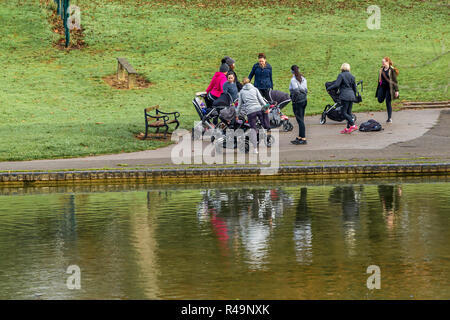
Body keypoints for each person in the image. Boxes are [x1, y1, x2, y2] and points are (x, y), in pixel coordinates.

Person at [236, 77, 270, 154]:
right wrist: (266, 107)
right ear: (250, 82)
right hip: (258, 109)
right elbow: (261, 99)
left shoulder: (241, 92)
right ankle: (265, 130)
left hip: (250, 112)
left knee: (253, 129)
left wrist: (237, 115)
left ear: (243, 83)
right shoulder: (255, 89)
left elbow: (240, 105)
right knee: (262, 122)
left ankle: (255, 149)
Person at [326, 63, 358, 134]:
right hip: (352, 96)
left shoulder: (341, 75)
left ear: (342, 68)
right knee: (349, 113)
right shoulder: (352, 76)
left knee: (344, 113)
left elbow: (336, 84)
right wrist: (355, 96)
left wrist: (329, 88)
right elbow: (355, 88)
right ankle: (347, 128)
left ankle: (353, 125)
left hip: (345, 96)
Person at [376, 57, 399, 123]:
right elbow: (379, 79)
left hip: (389, 88)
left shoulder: (391, 70)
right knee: (380, 100)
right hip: (382, 87)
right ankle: (383, 97)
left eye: (383, 62)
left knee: (388, 102)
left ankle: (389, 118)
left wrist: (396, 91)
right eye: (382, 62)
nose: (382, 63)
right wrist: (379, 85)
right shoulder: (381, 69)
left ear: (387, 62)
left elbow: (395, 81)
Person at [289, 65, 308, 145]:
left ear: (292, 72)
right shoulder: (303, 79)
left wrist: (293, 99)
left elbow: (296, 91)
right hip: (304, 100)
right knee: (301, 119)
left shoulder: (293, 80)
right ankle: (300, 136)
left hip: (297, 102)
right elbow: (305, 90)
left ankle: (303, 138)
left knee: (300, 120)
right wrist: (302, 90)